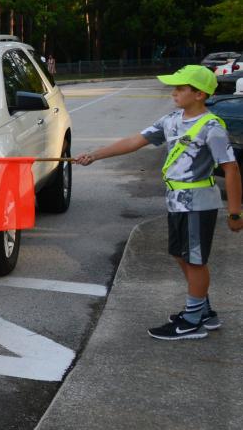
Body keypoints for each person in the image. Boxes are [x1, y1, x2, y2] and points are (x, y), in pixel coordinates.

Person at [75, 65, 242, 340]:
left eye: (180, 88)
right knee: (180, 254)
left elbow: (231, 169)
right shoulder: (172, 120)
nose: (174, 92)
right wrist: (94, 155)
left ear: (199, 94)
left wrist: (235, 212)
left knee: (195, 260)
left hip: (198, 203)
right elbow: (134, 141)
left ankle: (192, 321)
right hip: (176, 201)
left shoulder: (211, 128)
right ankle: (203, 310)